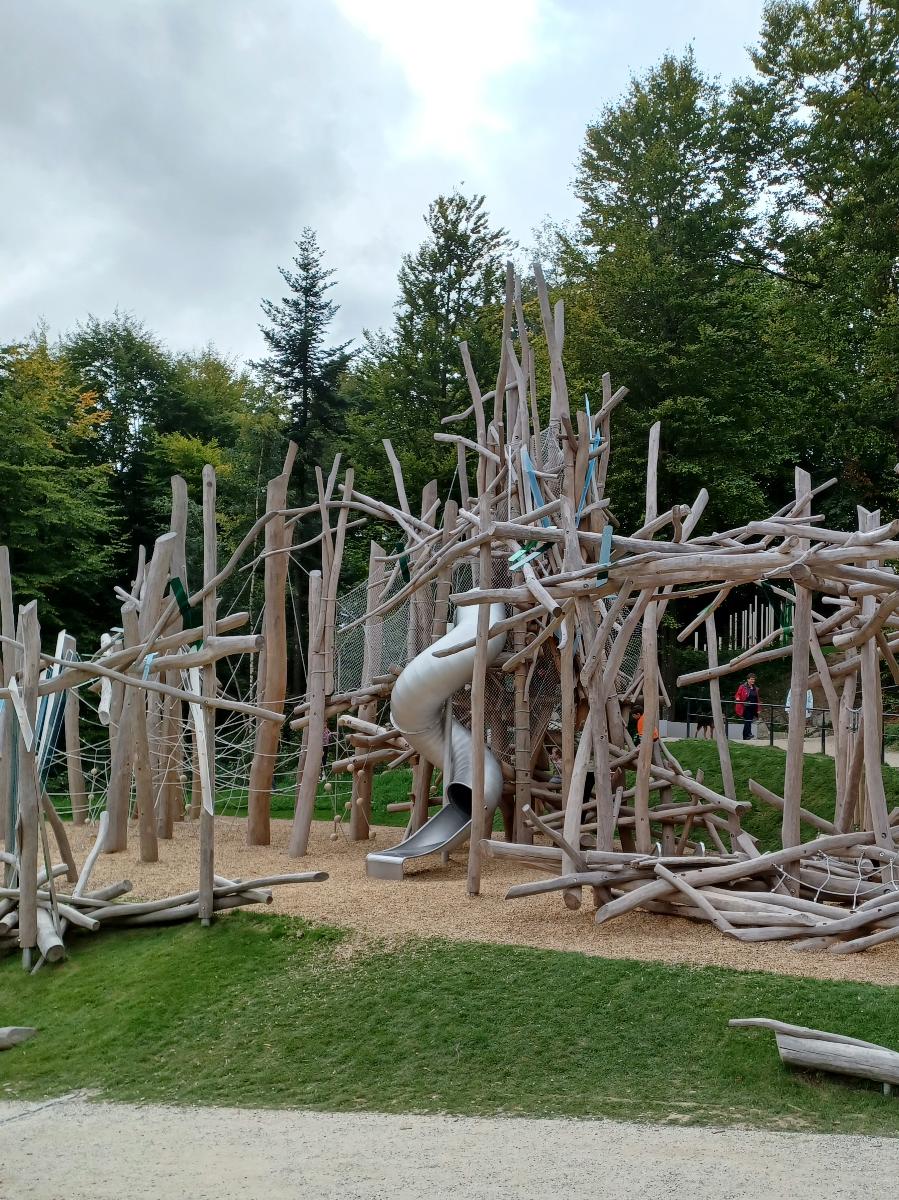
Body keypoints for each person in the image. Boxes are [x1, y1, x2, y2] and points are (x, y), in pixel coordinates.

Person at [735, 673, 760, 741]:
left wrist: (758, 708)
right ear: (748, 679)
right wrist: (738, 699)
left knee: (749, 721)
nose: (753, 681)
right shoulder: (742, 687)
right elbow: (738, 694)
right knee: (748, 720)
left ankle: (745, 736)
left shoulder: (755, 688)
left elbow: (757, 699)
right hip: (746, 706)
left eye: (754, 679)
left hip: (753, 707)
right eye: (751, 679)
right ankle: (749, 734)